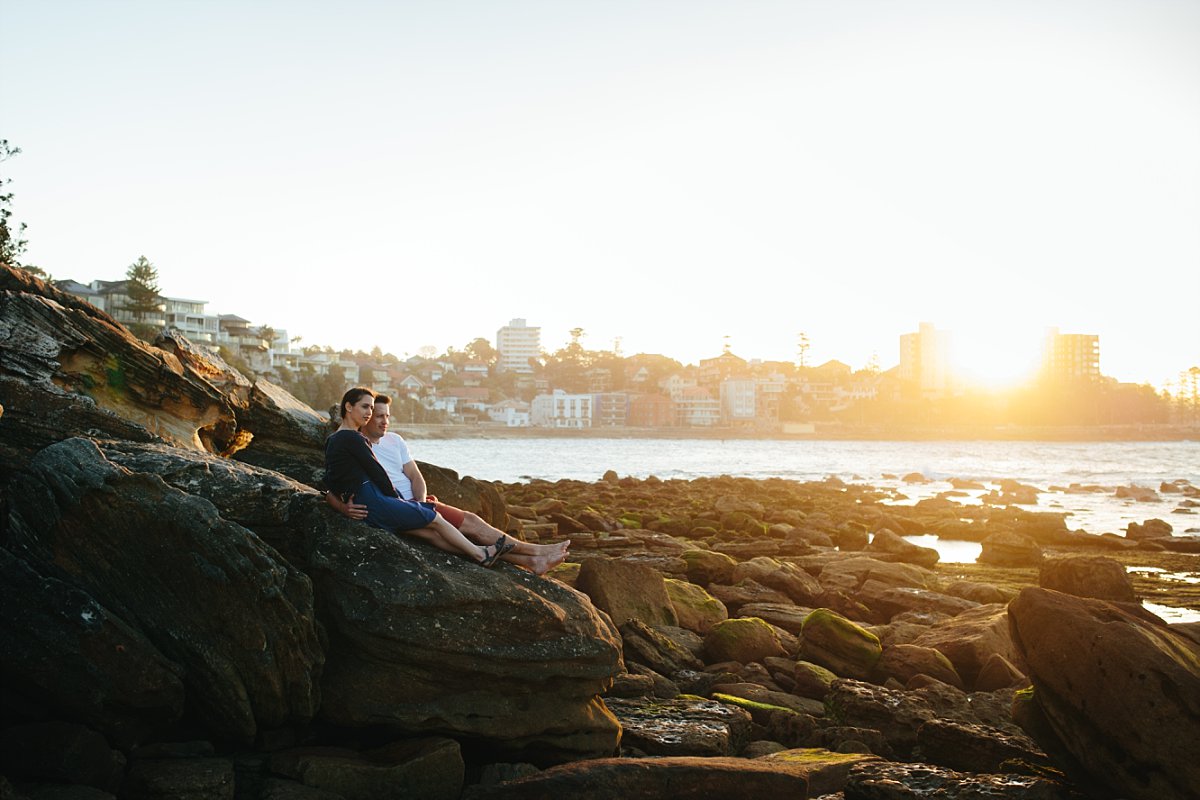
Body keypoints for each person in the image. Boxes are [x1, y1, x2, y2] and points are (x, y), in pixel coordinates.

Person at [327, 392, 569, 575]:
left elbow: (416, 476)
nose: (381, 420)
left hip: (412, 502)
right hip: (393, 504)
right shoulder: (356, 443)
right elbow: (344, 481)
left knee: (465, 527)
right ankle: (534, 554)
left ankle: (531, 558)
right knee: (453, 531)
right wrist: (343, 507)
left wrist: (420, 502)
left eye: (385, 415)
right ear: (354, 411)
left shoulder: (394, 440)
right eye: (374, 413)